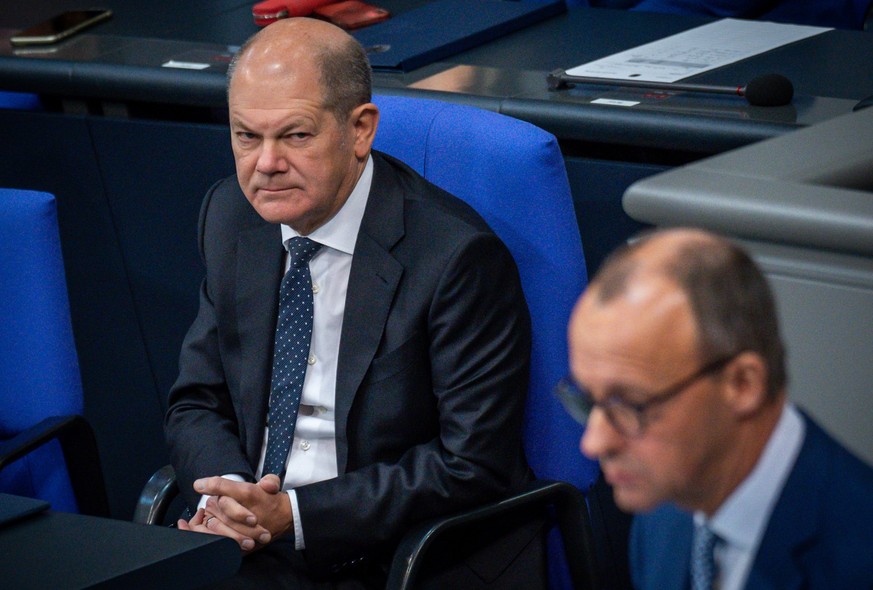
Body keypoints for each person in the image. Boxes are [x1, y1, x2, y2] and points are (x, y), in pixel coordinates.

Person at [164, 17, 536, 588]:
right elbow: (196, 401)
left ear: (360, 130)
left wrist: (296, 516)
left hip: (392, 552)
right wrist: (233, 498)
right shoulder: (231, 218)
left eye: (295, 135)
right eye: (246, 136)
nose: (264, 164)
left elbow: (472, 463)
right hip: (254, 541)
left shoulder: (455, 258)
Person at [558, 228, 873, 589]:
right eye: (588, 400)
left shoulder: (859, 560)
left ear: (742, 384)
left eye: (630, 405)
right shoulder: (665, 507)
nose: (594, 444)